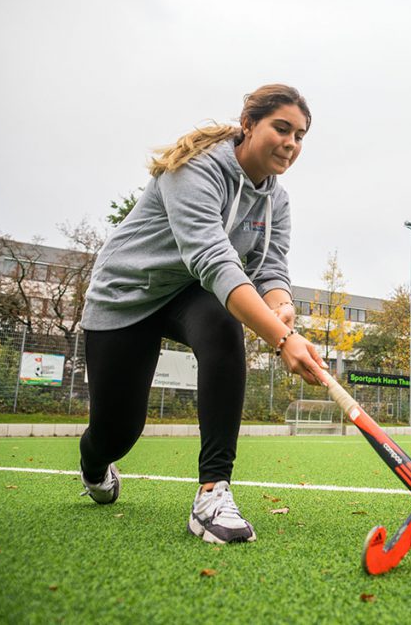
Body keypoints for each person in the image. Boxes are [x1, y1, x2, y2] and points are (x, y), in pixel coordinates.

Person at [77, 84, 328, 544]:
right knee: (117, 433)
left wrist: (283, 306)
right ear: (249, 124)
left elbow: (269, 266)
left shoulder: (278, 200)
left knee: (221, 325)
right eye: (282, 128)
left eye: (300, 135)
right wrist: (281, 339)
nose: (291, 143)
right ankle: (94, 462)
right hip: (127, 295)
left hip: (188, 296)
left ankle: (213, 491)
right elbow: (214, 260)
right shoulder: (194, 170)